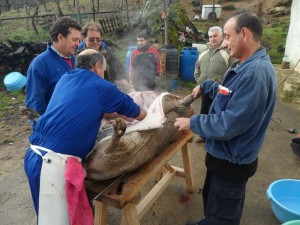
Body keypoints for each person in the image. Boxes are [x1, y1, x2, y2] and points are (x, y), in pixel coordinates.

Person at [174, 10, 277, 225]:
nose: (225, 43)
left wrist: (192, 122)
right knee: (213, 199)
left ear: (245, 34)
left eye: (228, 36)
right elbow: (228, 93)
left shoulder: (255, 74)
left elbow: (229, 123)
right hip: (223, 156)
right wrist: (208, 86)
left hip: (232, 160)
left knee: (223, 216)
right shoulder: (245, 65)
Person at [24, 49, 147, 224]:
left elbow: (96, 108)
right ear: (97, 66)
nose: (104, 73)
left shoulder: (66, 79)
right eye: (104, 69)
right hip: (51, 165)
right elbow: (139, 114)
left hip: (36, 156)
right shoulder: (101, 86)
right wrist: (149, 110)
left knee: (50, 216)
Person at [25, 16, 82, 116]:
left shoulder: (76, 60)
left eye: (79, 40)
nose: (78, 44)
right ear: (60, 37)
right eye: (74, 39)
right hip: (56, 127)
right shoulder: (40, 65)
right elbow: (34, 106)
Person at [193, 26, 231, 143]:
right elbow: (197, 68)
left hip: (219, 90)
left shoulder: (228, 53)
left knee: (217, 113)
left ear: (221, 37)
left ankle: (215, 137)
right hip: (204, 89)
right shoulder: (203, 53)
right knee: (204, 111)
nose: (212, 39)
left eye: (215, 36)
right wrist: (198, 79)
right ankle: (203, 135)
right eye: (210, 36)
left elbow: (232, 70)